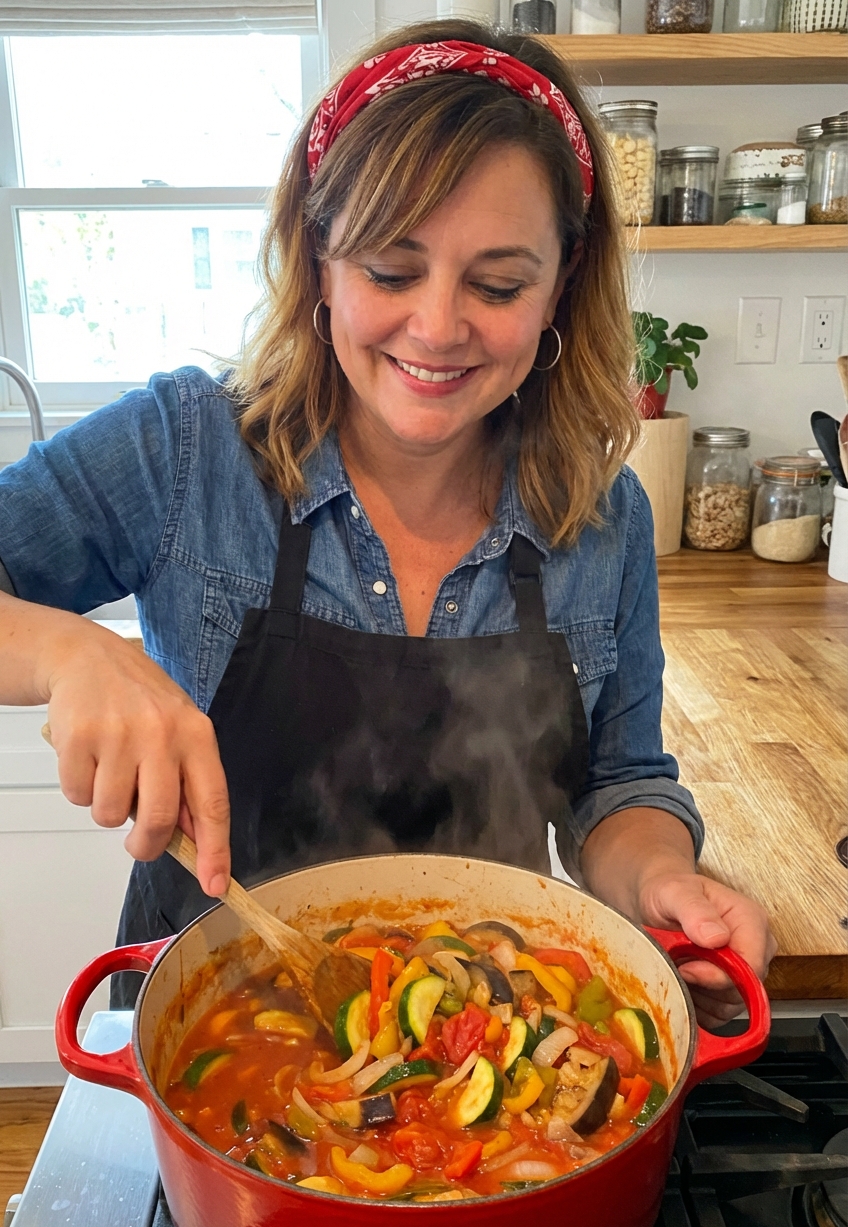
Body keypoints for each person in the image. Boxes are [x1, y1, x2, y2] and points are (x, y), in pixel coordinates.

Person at [0, 20, 774, 1021]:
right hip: (199, 1014)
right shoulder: (184, 450)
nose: (438, 326)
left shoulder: (600, 517)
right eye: (389, 270)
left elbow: (617, 788)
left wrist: (663, 880)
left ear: (560, 286)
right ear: (318, 257)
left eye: (496, 284)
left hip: (490, 1030)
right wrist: (68, 654)